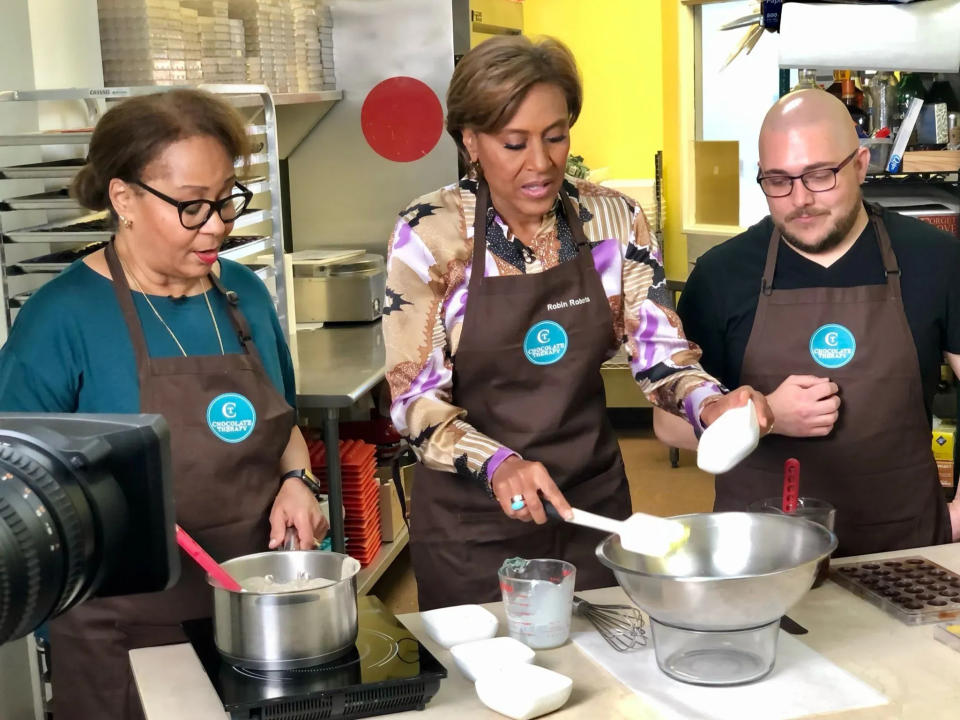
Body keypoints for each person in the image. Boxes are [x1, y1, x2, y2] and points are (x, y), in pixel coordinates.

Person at [382, 36, 771, 611]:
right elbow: (414, 398)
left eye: (556, 136)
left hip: (592, 507)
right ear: (471, 141)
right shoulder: (431, 236)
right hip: (474, 526)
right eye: (514, 143)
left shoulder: (613, 220)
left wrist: (710, 406)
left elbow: (661, 352)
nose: (540, 164)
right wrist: (499, 463)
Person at [0, 89, 328, 720]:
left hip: (252, 612)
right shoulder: (61, 320)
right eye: (191, 207)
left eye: (227, 198)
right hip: (120, 634)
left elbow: (282, 422)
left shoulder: (244, 296)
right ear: (123, 199)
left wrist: (297, 478)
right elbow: (15, 494)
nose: (218, 225)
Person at [663, 88, 960, 556]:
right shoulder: (723, 274)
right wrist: (766, 418)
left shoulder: (935, 259)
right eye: (778, 181)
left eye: (820, 175)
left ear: (861, 164)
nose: (800, 199)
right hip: (761, 555)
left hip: (902, 546)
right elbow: (667, 424)